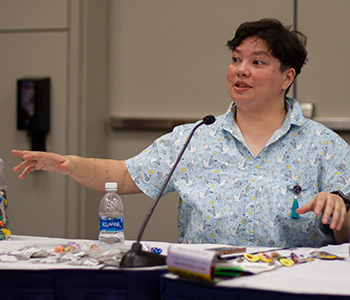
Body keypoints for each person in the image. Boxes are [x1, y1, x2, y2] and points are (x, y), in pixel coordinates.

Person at [12, 19, 350, 248]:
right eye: (235, 59)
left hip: (291, 288)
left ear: (287, 77)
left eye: (258, 63)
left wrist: (340, 213)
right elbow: (124, 175)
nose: (241, 70)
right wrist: (68, 164)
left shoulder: (323, 146)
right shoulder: (195, 137)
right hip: (202, 285)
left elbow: (347, 233)